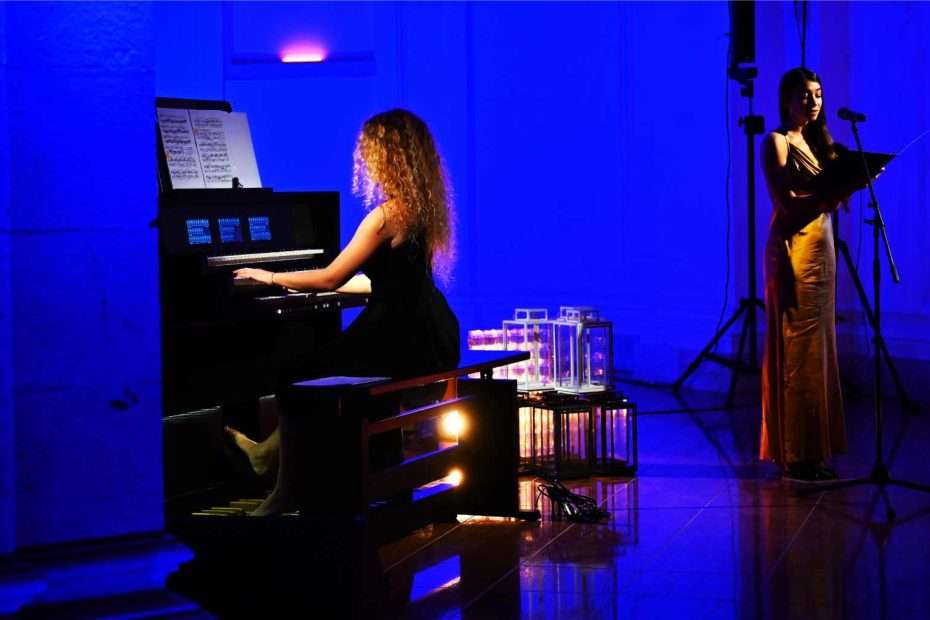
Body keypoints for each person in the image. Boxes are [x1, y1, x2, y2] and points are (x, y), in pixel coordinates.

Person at [228, 109, 460, 515]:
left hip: (394, 340)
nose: (365, 161)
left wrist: (271, 277)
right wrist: (301, 282)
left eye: (369, 151)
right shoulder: (422, 209)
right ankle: (271, 454)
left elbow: (331, 277)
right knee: (317, 371)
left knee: (296, 373)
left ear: (387, 156)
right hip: (428, 334)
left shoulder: (385, 216)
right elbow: (382, 282)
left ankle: (285, 489)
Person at [760, 67, 858, 482]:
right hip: (793, 252)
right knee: (796, 351)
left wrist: (851, 182)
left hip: (822, 250)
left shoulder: (821, 145)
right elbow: (787, 206)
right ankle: (795, 454)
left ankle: (816, 451)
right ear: (786, 99)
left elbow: (827, 203)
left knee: (819, 352)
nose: (814, 102)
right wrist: (830, 193)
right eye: (805, 95)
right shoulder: (776, 141)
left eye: (818, 94)